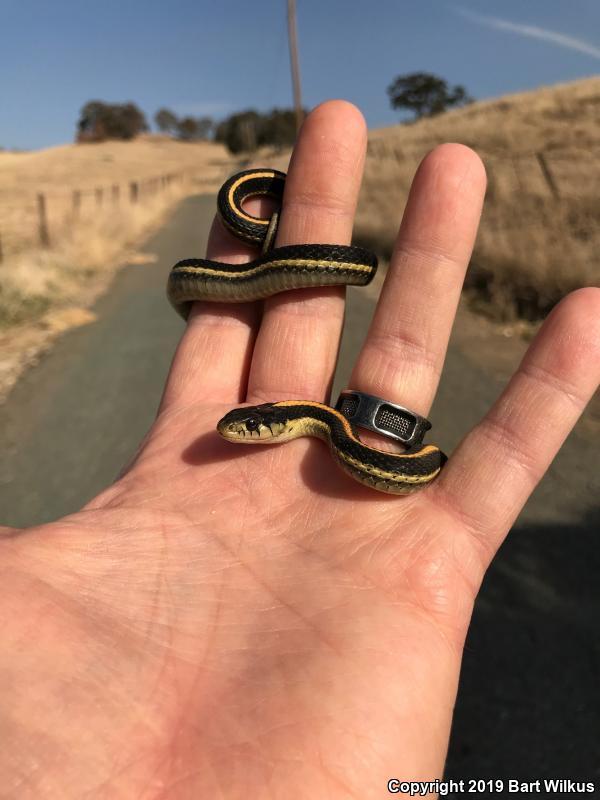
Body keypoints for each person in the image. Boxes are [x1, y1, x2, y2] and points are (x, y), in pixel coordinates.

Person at [1, 100, 598, 798]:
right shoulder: (313, 424)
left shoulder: (330, 431)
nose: (244, 430)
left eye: (253, 426)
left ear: (284, 424)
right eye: (251, 427)